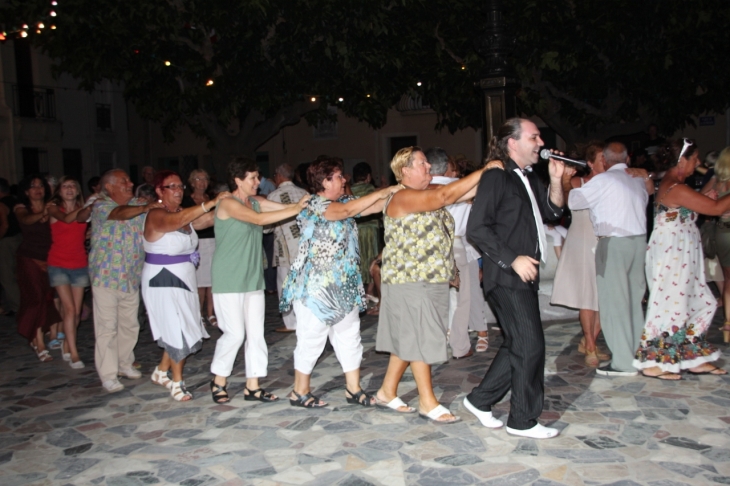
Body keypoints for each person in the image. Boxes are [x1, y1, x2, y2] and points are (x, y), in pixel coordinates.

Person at [464, 118, 565, 439]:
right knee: (531, 345)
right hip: (506, 275)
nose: (540, 142)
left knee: (520, 344)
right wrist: (512, 258)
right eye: (534, 137)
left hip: (524, 275)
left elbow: (552, 213)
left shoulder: (528, 177)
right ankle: (523, 420)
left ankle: (480, 400)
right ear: (513, 142)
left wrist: (557, 180)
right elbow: (476, 228)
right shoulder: (496, 176)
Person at [374, 146, 488, 423]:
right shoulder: (402, 197)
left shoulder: (423, 196)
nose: (429, 168)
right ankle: (428, 401)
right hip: (409, 280)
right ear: (405, 171)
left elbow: (461, 195)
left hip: (429, 278)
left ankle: (387, 392)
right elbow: (445, 195)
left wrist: (493, 178)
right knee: (421, 338)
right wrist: (487, 169)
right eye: (423, 164)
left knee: (410, 337)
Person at [281, 157, 398, 408]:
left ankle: (353, 389)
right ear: (324, 182)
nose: (344, 180)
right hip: (316, 288)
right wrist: (386, 189)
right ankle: (299, 391)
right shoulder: (314, 204)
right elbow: (345, 213)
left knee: (350, 336)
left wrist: (396, 192)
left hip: (343, 285)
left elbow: (371, 207)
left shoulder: (344, 201)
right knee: (311, 338)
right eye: (338, 176)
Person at [209, 158, 309, 404]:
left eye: (257, 177)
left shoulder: (255, 202)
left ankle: (253, 385)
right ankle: (219, 380)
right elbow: (259, 220)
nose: (258, 182)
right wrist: (296, 209)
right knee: (234, 334)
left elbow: (270, 208)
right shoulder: (228, 204)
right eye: (252, 178)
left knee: (255, 333)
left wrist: (302, 204)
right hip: (228, 278)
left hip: (252, 277)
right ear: (238, 181)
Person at [634, 139, 730, 379]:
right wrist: (710, 198)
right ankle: (653, 361)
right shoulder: (676, 187)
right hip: (672, 253)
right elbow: (717, 209)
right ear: (682, 161)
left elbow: (689, 208)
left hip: (682, 251)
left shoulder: (677, 185)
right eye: (694, 159)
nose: (697, 163)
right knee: (670, 306)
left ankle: (691, 356)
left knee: (703, 301)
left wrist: (705, 195)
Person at [143, 170, 229, 401]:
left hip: (185, 277)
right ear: (160, 191)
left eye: (180, 186)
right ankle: (177, 382)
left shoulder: (183, 213)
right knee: (176, 327)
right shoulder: (156, 215)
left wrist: (232, 205)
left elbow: (207, 219)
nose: (179, 190)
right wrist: (211, 202)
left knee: (183, 322)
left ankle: (161, 372)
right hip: (162, 278)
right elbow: (178, 222)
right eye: (172, 187)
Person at [568, 142, 650, 377]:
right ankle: (634, 354)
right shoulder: (636, 179)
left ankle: (622, 363)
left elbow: (574, 202)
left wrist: (567, 181)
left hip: (614, 243)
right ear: (628, 158)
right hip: (638, 242)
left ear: (603, 159)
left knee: (614, 304)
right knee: (634, 301)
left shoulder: (603, 181)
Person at [90, 169, 163, 393]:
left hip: (131, 276)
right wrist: (143, 207)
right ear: (110, 187)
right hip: (106, 277)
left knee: (130, 325)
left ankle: (124, 363)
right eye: (124, 181)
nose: (130, 183)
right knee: (107, 328)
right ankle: (108, 374)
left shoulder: (137, 205)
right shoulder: (101, 205)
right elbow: (119, 213)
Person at [550, 142, 610, 367]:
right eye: (601, 157)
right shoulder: (578, 182)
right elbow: (566, 203)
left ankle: (589, 341)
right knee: (587, 296)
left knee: (604, 296)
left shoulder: (612, 182)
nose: (605, 161)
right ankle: (591, 347)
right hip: (582, 241)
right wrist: (565, 179)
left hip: (604, 240)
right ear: (591, 162)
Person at [426, 147, 489, 358]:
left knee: (433, 296)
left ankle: (434, 342)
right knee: (463, 298)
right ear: (446, 168)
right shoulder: (459, 187)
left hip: (426, 246)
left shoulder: (417, 189)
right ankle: (460, 346)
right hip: (455, 243)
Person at [14, 175, 62, 362]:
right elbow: (26, 220)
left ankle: (36, 337)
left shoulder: (52, 207)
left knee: (47, 298)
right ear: (26, 191)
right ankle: (39, 343)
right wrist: (43, 214)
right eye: (33, 186)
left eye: (41, 185)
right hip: (28, 258)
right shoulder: (21, 208)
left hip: (50, 258)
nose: (37, 189)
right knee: (35, 299)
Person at [46, 177, 92, 369]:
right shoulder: (53, 208)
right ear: (59, 191)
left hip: (79, 262)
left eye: (73, 185)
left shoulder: (83, 210)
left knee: (74, 310)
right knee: (71, 309)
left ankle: (67, 343)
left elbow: (81, 232)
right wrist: (86, 208)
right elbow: (65, 220)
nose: (69, 189)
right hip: (58, 263)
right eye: (65, 186)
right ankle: (73, 352)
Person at [266, 164, 309, 333]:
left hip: (285, 250)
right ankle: (307, 318)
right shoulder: (304, 193)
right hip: (305, 247)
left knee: (285, 285)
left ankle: (290, 323)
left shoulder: (273, 196)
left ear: (278, 176)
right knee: (305, 284)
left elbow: (268, 226)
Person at [702, 146, 730, 342]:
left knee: (728, 279)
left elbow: (700, 200)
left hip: (722, 231)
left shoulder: (718, 182)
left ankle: (729, 322)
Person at [183, 169, 217, 327]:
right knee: (199, 282)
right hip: (197, 242)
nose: (202, 182)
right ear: (192, 182)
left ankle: (211, 313)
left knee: (212, 279)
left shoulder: (213, 199)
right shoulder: (186, 201)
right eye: (198, 179)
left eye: (205, 179)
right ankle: (199, 314)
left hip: (213, 240)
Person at [350, 162, 381, 302]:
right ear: (368, 177)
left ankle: (359, 292)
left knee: (357, 259)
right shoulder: (372, 190)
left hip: (355, 230)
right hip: (371, 230)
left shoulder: (350, 191)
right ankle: (370, 291)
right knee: (372, 258)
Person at [0, 178, 22, 316]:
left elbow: (4, 224)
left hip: (7, 241)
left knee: (7, 277)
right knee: (17, 273)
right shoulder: (15, 201)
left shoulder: (1, 204)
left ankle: (17, 307)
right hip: (19, 238)